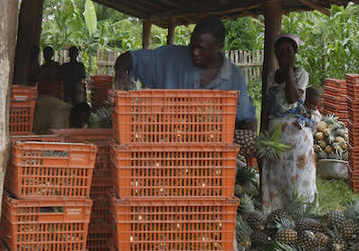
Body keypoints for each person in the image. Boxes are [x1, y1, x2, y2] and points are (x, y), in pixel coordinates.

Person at [113, 15, 257, 133]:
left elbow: (246, 119)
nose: (195, 52)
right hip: (167, 148)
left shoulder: (234, 77)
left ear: (219, 46)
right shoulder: (170, 58)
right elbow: (130, 58)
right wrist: (121, 74)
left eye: (202, 49)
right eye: (193, 46)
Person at [262, 34, 316, 211]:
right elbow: (268, 104)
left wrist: (288, 69)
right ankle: (276, 213)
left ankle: (300, 215)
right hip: (276, 133)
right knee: (277, 174)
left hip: (295, 134)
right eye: (281, 50)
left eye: (288, 50)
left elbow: (292, 98)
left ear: (294, 53)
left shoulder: (301, 74)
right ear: (276, 53)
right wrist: (263, 130)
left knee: (295, 175)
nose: (284, 53)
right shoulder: (271, 76)